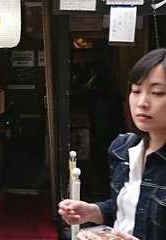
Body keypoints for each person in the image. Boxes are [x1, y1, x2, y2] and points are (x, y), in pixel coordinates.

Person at [58, 48, 166, 240]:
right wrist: (93, 211)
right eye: (136, 91)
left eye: (157, 92)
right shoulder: (123, 149)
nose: (142, 102)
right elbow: (126, 207)